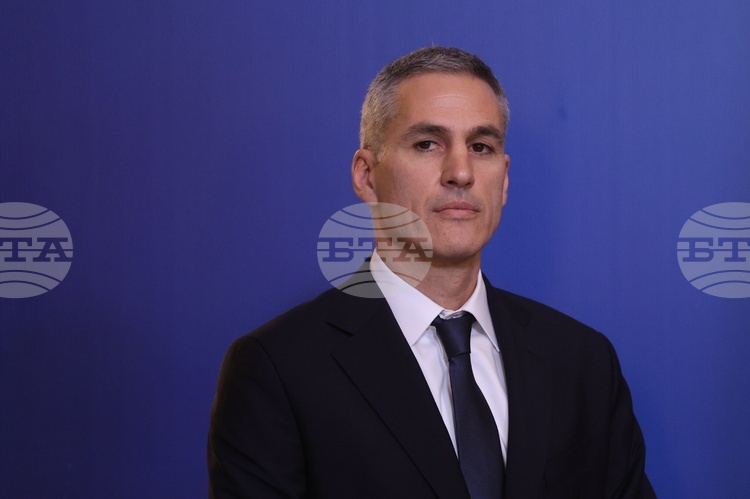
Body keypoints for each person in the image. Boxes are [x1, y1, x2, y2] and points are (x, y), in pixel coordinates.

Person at [208, 46, 656, 498]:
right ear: (366, 176)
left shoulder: (583, 362)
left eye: (481, 147)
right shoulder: (278, 369)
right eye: (427, 144)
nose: (460, 172)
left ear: (503, 180)